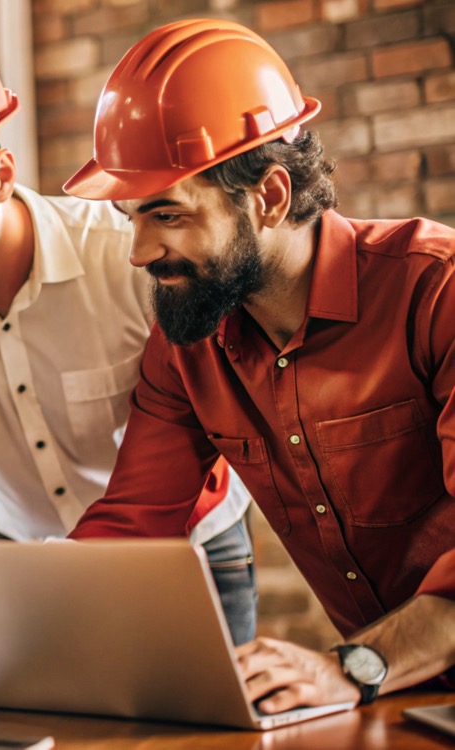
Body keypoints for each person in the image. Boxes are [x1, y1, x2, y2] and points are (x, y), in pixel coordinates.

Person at [0, 25, 257, 689]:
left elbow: (194, 434)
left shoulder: (127, 260)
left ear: (1, 176)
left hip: (185, 547)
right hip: (23, 551)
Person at [63, 19, 455, 712]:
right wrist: (2, 628)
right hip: (394, 696)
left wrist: (357, 665)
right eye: (132, 219)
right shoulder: (187, 346)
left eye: (168, 216)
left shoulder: (436, 291)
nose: (139, 252)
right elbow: (132, 524)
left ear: (270, 197)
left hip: (379, 673)